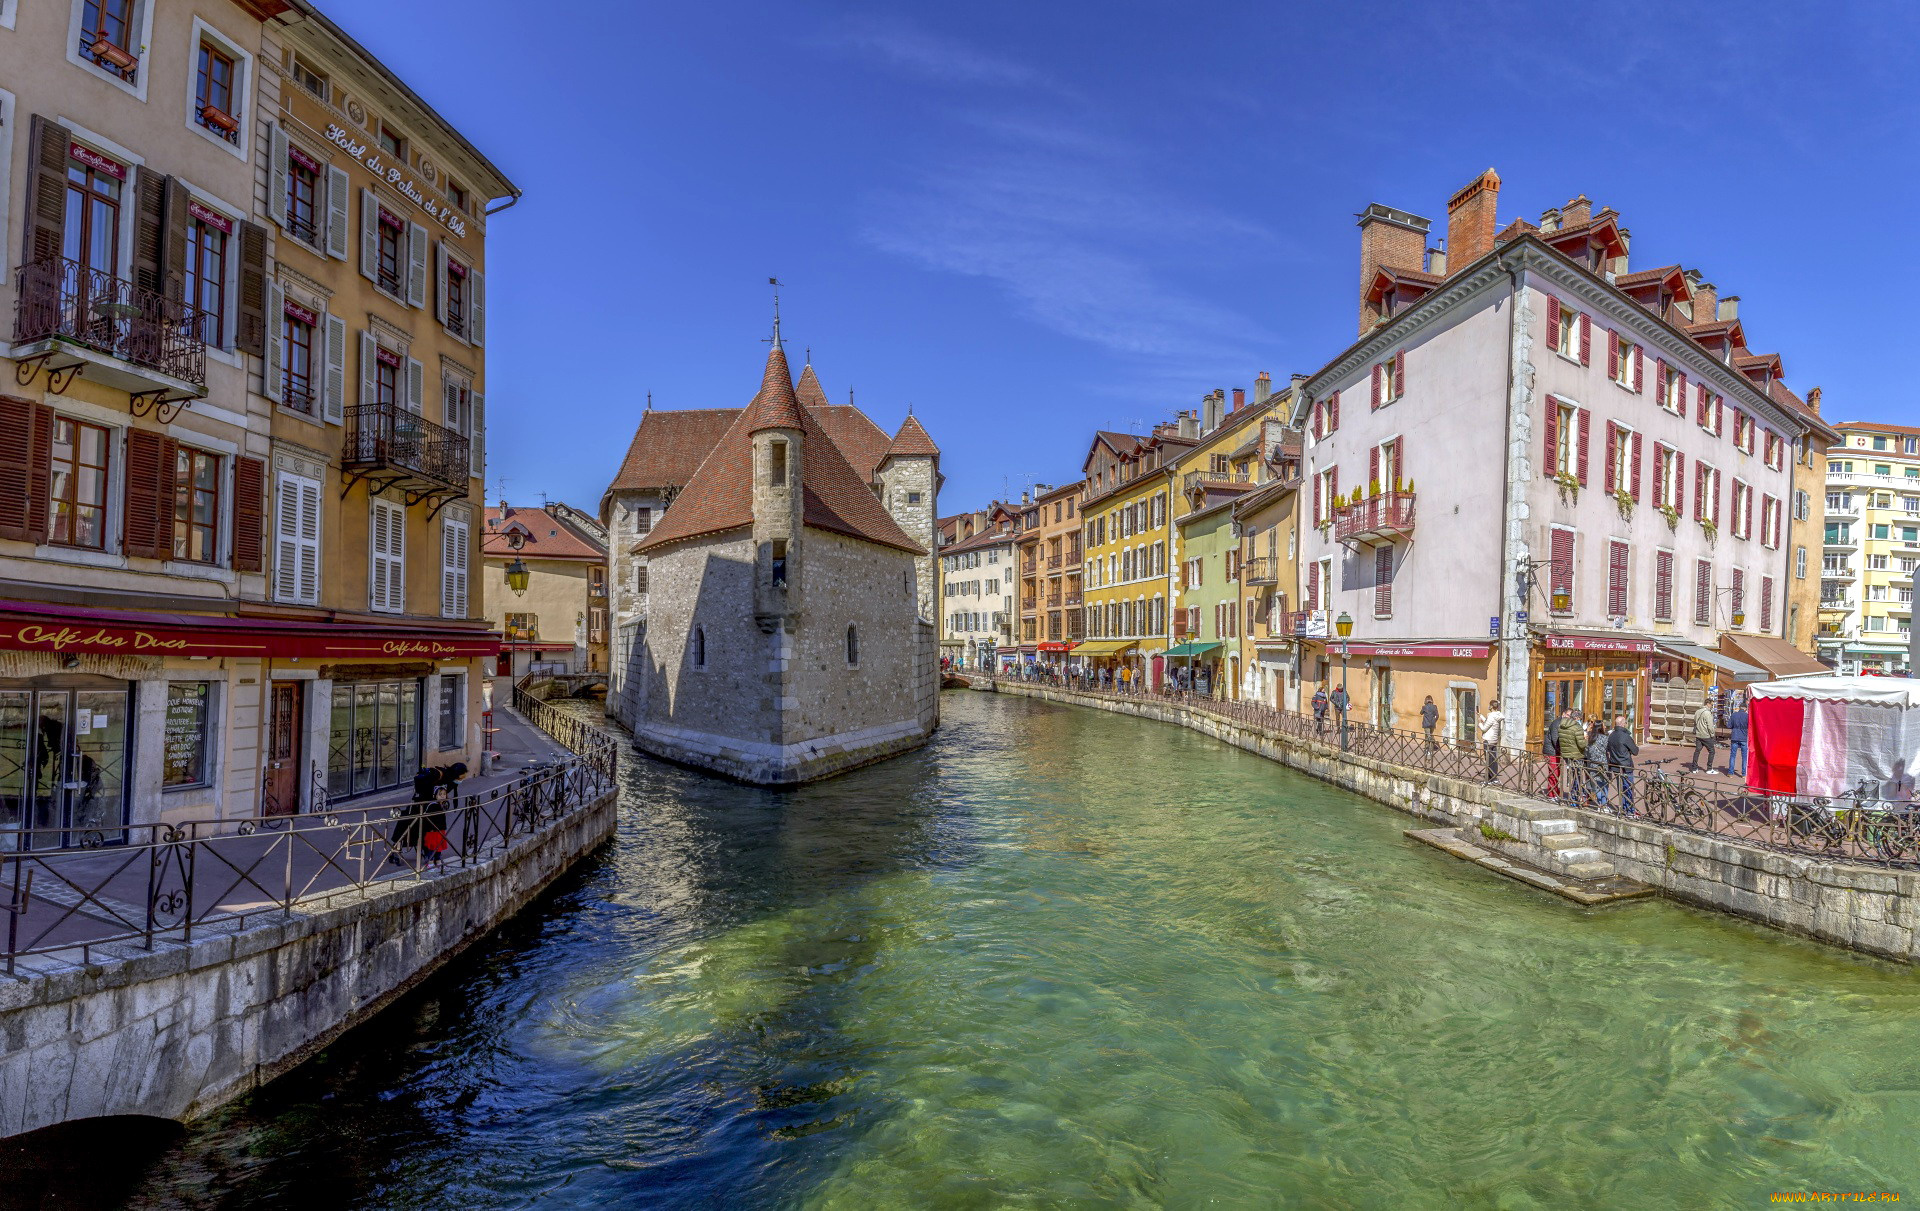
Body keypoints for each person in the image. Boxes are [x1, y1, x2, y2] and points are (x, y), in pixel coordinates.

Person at [1608, 715, 1639, 815]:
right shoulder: (1625, 736)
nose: (1626, 724)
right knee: (1628, 788)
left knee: (1620, 788)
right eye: (1625, 722)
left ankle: (1623, 809)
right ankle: (1630, 811)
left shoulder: (1611, 735)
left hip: (1615, 766)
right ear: (1623, 724)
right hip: (1626, 766)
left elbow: (1608, 749)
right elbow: (1635, 751)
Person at [1557, 707, 1588, 804]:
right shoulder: (1577, 727)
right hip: (1576, 754)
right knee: (1577, 776)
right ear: (1577, 718)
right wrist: (1586, 740)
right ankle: (1575, 797)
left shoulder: (1562, 725)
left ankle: (1573, 796)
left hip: (1566, 754)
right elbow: (1581, 744)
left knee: (1571, 775)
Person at [1586, 718, 1612, 809]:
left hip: (1593, 764)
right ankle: (1603, 805)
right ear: (1600, 727)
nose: (1605, 727)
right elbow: (1609, 749)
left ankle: (1600, 804)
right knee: (1604, 784)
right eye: (1603, 725)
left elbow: (1587, 751)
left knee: (1597, 785)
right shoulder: (1605, 738)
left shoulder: (1590, 738)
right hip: (1603, 764)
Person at [1479, 704, 1505, 782]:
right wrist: (1480, 715)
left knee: (1488, 760)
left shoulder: (1491, 716)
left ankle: (1490, 778)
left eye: (1489, 705)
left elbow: (1484, 729)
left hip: (1488, 740)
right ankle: (1494, 777)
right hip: (1494, 740)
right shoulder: (1497, 715)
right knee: (1493, 759)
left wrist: (1479, 723)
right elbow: (1489, 723)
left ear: (1491, 706)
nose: (1488, 707)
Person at [1690, 701, 1717, 773]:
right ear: (1708, 704)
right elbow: (1710, 726)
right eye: (1711, 705)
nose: (1712, 706)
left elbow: (1695, 722)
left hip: (1698, 734)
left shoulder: (1697, 711)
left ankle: (1694, 768)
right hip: (1706, 735)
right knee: (1712, 751)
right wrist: (1712, 735)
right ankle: (1709, 768)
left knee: (1697, 751)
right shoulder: (1707, 713)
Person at [1541, 704, 1562, 797]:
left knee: (1556, 772)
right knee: (1554, 773)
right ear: (1565, 714)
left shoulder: (1560, 723)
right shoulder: (1557, 724)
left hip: (1555, 751)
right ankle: (1552, 794)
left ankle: (1555, 792)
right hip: (1551, 751)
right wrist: (1561, 750)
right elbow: (1555, 739)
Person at [1727, 701, 1750, 778]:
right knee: (1744, 756)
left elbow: (1729, 725)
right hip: (1744, 737)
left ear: (1739, 708)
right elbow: (1750, 727)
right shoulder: (1747, 716)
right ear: (1745, 708)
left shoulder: (1734, 715)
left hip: (1735, 736)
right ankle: (1744, 774)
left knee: (1733, 755)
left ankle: (1730, 773)